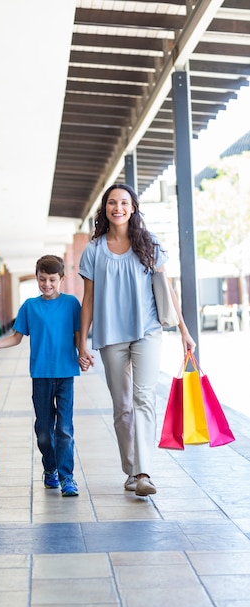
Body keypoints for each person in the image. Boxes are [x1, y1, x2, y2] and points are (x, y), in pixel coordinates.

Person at [78, 183, 196, 497]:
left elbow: (168, 290)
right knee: (122, 406)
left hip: (147, 331)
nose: (118, 208)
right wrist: (82, 343)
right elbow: (87, 299)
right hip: (109, 335)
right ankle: (130, 469)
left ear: (133, 208)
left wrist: (184, 330)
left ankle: (143, 472)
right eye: (112, 203)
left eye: (124, 203)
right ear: (105, 208)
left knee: (144, 399)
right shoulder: (94, 250)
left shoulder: (148, 243)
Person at [0, 255, 81, 496]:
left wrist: (83, 354)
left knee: (64, 428)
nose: (47, 284)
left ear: (62, 279)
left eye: (52, 279)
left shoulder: (71, 304)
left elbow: (79, 335)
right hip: (41, 377)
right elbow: (16, 338)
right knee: (44, 430)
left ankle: (67, 477)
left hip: (65, 375)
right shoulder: (30, 307)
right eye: (42, 279)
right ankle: (50, 468)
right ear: (36, 279)